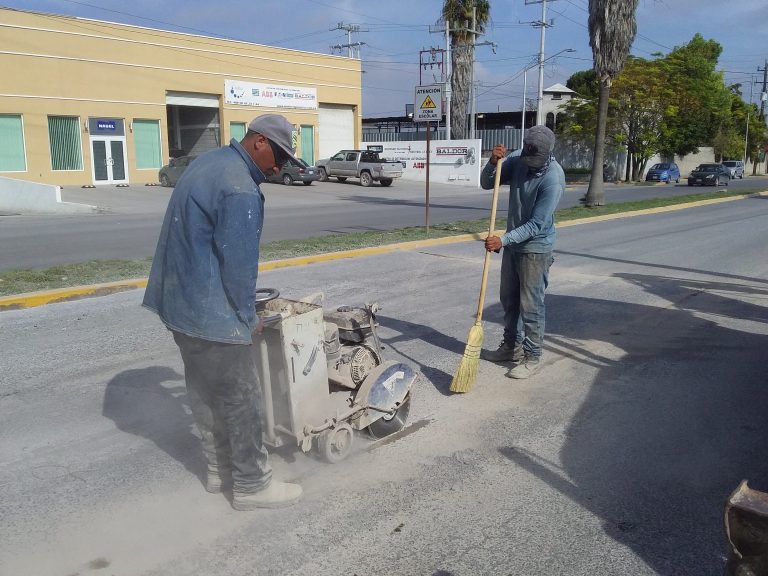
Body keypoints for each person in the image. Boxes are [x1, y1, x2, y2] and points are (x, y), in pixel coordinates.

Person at [142, 114, 302, 510]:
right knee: (241, 397)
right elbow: (239, 266)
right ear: (259, 142)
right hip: (212, 311)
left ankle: (220, 471)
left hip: (180, 305)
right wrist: (249, 319)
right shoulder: (240, 188)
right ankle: (251, 484)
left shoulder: (209, 163)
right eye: (278, 156)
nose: (278, 168)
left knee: (204, 391)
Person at [479, 125, 565, 379]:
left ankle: (532, 355)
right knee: (509, 300)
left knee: (531, 304)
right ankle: (511, 347)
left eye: (535, 161)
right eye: (528, 158)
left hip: (536, 248)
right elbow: (487, 183)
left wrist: (503, 240)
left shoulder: (553, 179)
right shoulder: (517, 159)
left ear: (548, 154)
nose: (530, 164)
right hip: (513, 245)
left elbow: (537, 224)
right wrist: (493, 162)